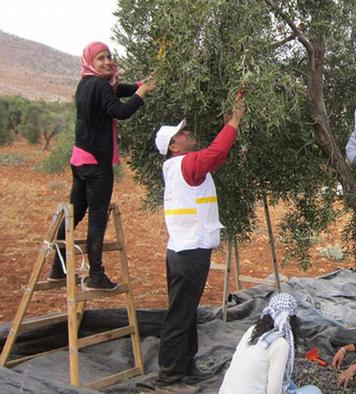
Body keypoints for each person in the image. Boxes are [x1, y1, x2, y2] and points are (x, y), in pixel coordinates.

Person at [153, 93, 246, 394]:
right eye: (180, 133)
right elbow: (217, 152)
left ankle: (186, 367)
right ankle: (168, 378)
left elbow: (213, 156)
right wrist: (235, 118)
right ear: (173, 146)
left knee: (186, 310)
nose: (186, 132)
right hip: (189, 251)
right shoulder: (185, 164)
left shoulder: (180, 166)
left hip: (184, 249)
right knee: (180, 314)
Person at [48, 41, 156, 290]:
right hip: (97, 163)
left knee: (74, 215)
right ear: (90, 62)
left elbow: (121, 90)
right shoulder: (99, 85)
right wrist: (141, 95)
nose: (107, 61)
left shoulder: (87, 83)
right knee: (97, 219)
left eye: (109, 56)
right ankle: (96, 275)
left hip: (80, 160)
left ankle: (57, 268)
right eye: (101, 59)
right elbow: (120, 111)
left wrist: (142, 85)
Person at [219, 293, 323, 394]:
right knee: (314, 390)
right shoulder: (281, 344)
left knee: (289, 382)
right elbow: (273, 392)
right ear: (291, 319)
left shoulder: (252, 329)